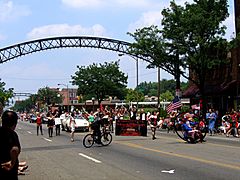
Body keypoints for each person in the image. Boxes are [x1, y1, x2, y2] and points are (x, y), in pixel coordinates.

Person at [0, 110, 21, 180]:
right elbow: (14, 150)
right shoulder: (11, 134)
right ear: (14, 124)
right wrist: (12, 162)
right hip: (8, 171)